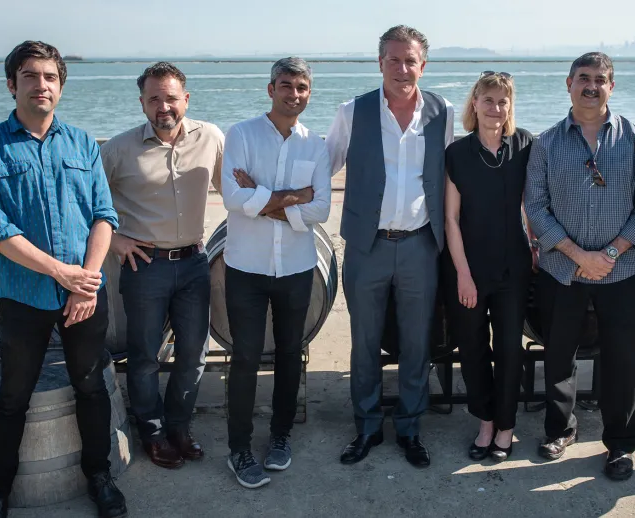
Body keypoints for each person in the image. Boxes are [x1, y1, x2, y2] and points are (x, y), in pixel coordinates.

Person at [0, 41, 127, 518]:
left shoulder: (82, 144)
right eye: (31, 76)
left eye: (51, 77)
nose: (42, 85)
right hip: (25, 296)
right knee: (13, 397)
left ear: (60, 86)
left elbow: (103, 215)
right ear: (12, 84)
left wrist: (87, 279)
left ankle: (99, 477)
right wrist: (63, 274)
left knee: (91, 387)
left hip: (84, 295)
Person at [524, 52, 635, 481]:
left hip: (621, 272)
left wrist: (611, 254)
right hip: (561, 271)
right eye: (584, 78)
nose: (591, 86)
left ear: (612, 87)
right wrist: (579, 255)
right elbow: (536, 206)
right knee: (559, 354)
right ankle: (559, 430)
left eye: (600, 79)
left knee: (623, 360)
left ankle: (620, 444)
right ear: (568, 84)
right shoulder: (546, 143)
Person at [326, 25, 454, 468]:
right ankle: (365, 428)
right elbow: (321, 169)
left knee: (418, 343)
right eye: (394, 59)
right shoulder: (352, 112)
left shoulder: (444, 112)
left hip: (421, 245)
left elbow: (458, 175)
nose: (403, 68)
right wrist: (271, 194)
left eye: (411, 60)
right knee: (364, 342)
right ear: (380, 63)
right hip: (367, 246)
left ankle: (410, 428)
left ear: (424, 64)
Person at [101, 62, 223, 469]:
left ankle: (178, 427)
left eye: (171, 97)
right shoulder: (118, 150)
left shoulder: (211, 138)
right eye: (154, 98)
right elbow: (86, 204)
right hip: (144, 267)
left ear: (185, 99)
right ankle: (151, 431)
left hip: (194, 263)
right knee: (145, 356)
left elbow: (235, 190)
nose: (163, 106)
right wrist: (115, 240)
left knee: (194, 353)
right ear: (142, 103)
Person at [221, 57, 332, 488]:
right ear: (271, 89)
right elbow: (233, 196)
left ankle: (281, 437)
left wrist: (262, 199)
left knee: (290, 355)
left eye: (302, 87)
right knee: (245, 358)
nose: (294, 94)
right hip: (245, 267)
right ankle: (239, 449)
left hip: (297, 268)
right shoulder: (242, 134)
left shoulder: (315, 145)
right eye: (286, 85)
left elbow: (321, 208)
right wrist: (293, 198)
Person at [443, 71, 535, 462]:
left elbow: (534, 201)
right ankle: (485, 422)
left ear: (510, 106)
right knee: (474, 348)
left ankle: (507, 426)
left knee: (510, 350)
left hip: (514, 267)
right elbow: (451, 218)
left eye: (503, 101)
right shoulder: (457, 154)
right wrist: (463, 273)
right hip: (470, 268)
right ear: (475, 103)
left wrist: (535, 244)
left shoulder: (525, 144)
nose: (495, 108)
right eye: (488, 100)